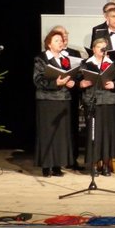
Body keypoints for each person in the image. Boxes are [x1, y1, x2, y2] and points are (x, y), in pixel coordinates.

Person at [33, 29, 77, 177]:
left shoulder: (66, 59)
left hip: (63, 100)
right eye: (57, 41)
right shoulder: (41, 59)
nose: (60, 43)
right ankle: (46, 166)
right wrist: (55, 82)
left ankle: (57, 165)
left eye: (61, 40)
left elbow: (70, 76)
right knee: (48, 133)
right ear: (49, 44)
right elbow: (38, 80)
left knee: (60, 134)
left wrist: (70, 82)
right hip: (47, 101)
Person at [79, 38, 115, 176]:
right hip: (92, 100)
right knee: (94, 133)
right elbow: (78, 80)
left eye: (104, 47)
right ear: (94, 49)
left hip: (109, 101)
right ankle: (94, 164)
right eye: (99, 47)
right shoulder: (86, 64)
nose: (102, 50)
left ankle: (106, 164)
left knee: (107, 133)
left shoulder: (113, 64)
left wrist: (114, 85)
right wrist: (81, 84)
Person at [51, 25, 84, 171]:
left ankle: (72, 159)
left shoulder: (74, 52)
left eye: (66, 35)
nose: (64, 38)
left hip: (71, 94)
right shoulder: (48, 55)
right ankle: (56, 160)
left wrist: (74, 81)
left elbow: (79, 73)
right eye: (61, 35)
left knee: (72, 128)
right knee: (57, 127)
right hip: (55, 95)